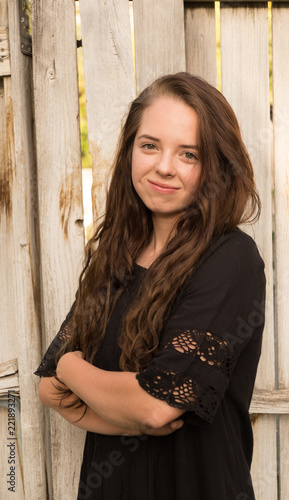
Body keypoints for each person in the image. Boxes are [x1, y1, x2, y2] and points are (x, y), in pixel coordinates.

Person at [35, 72, 266, 500]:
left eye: (189, 154)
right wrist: (126, 414)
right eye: (150, 146)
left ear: (216, 165)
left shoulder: (231, 259)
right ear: (130, 152)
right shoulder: (116, 255)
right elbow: (50, 388)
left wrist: (74, 370)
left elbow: (157, 406)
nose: (164, 166)